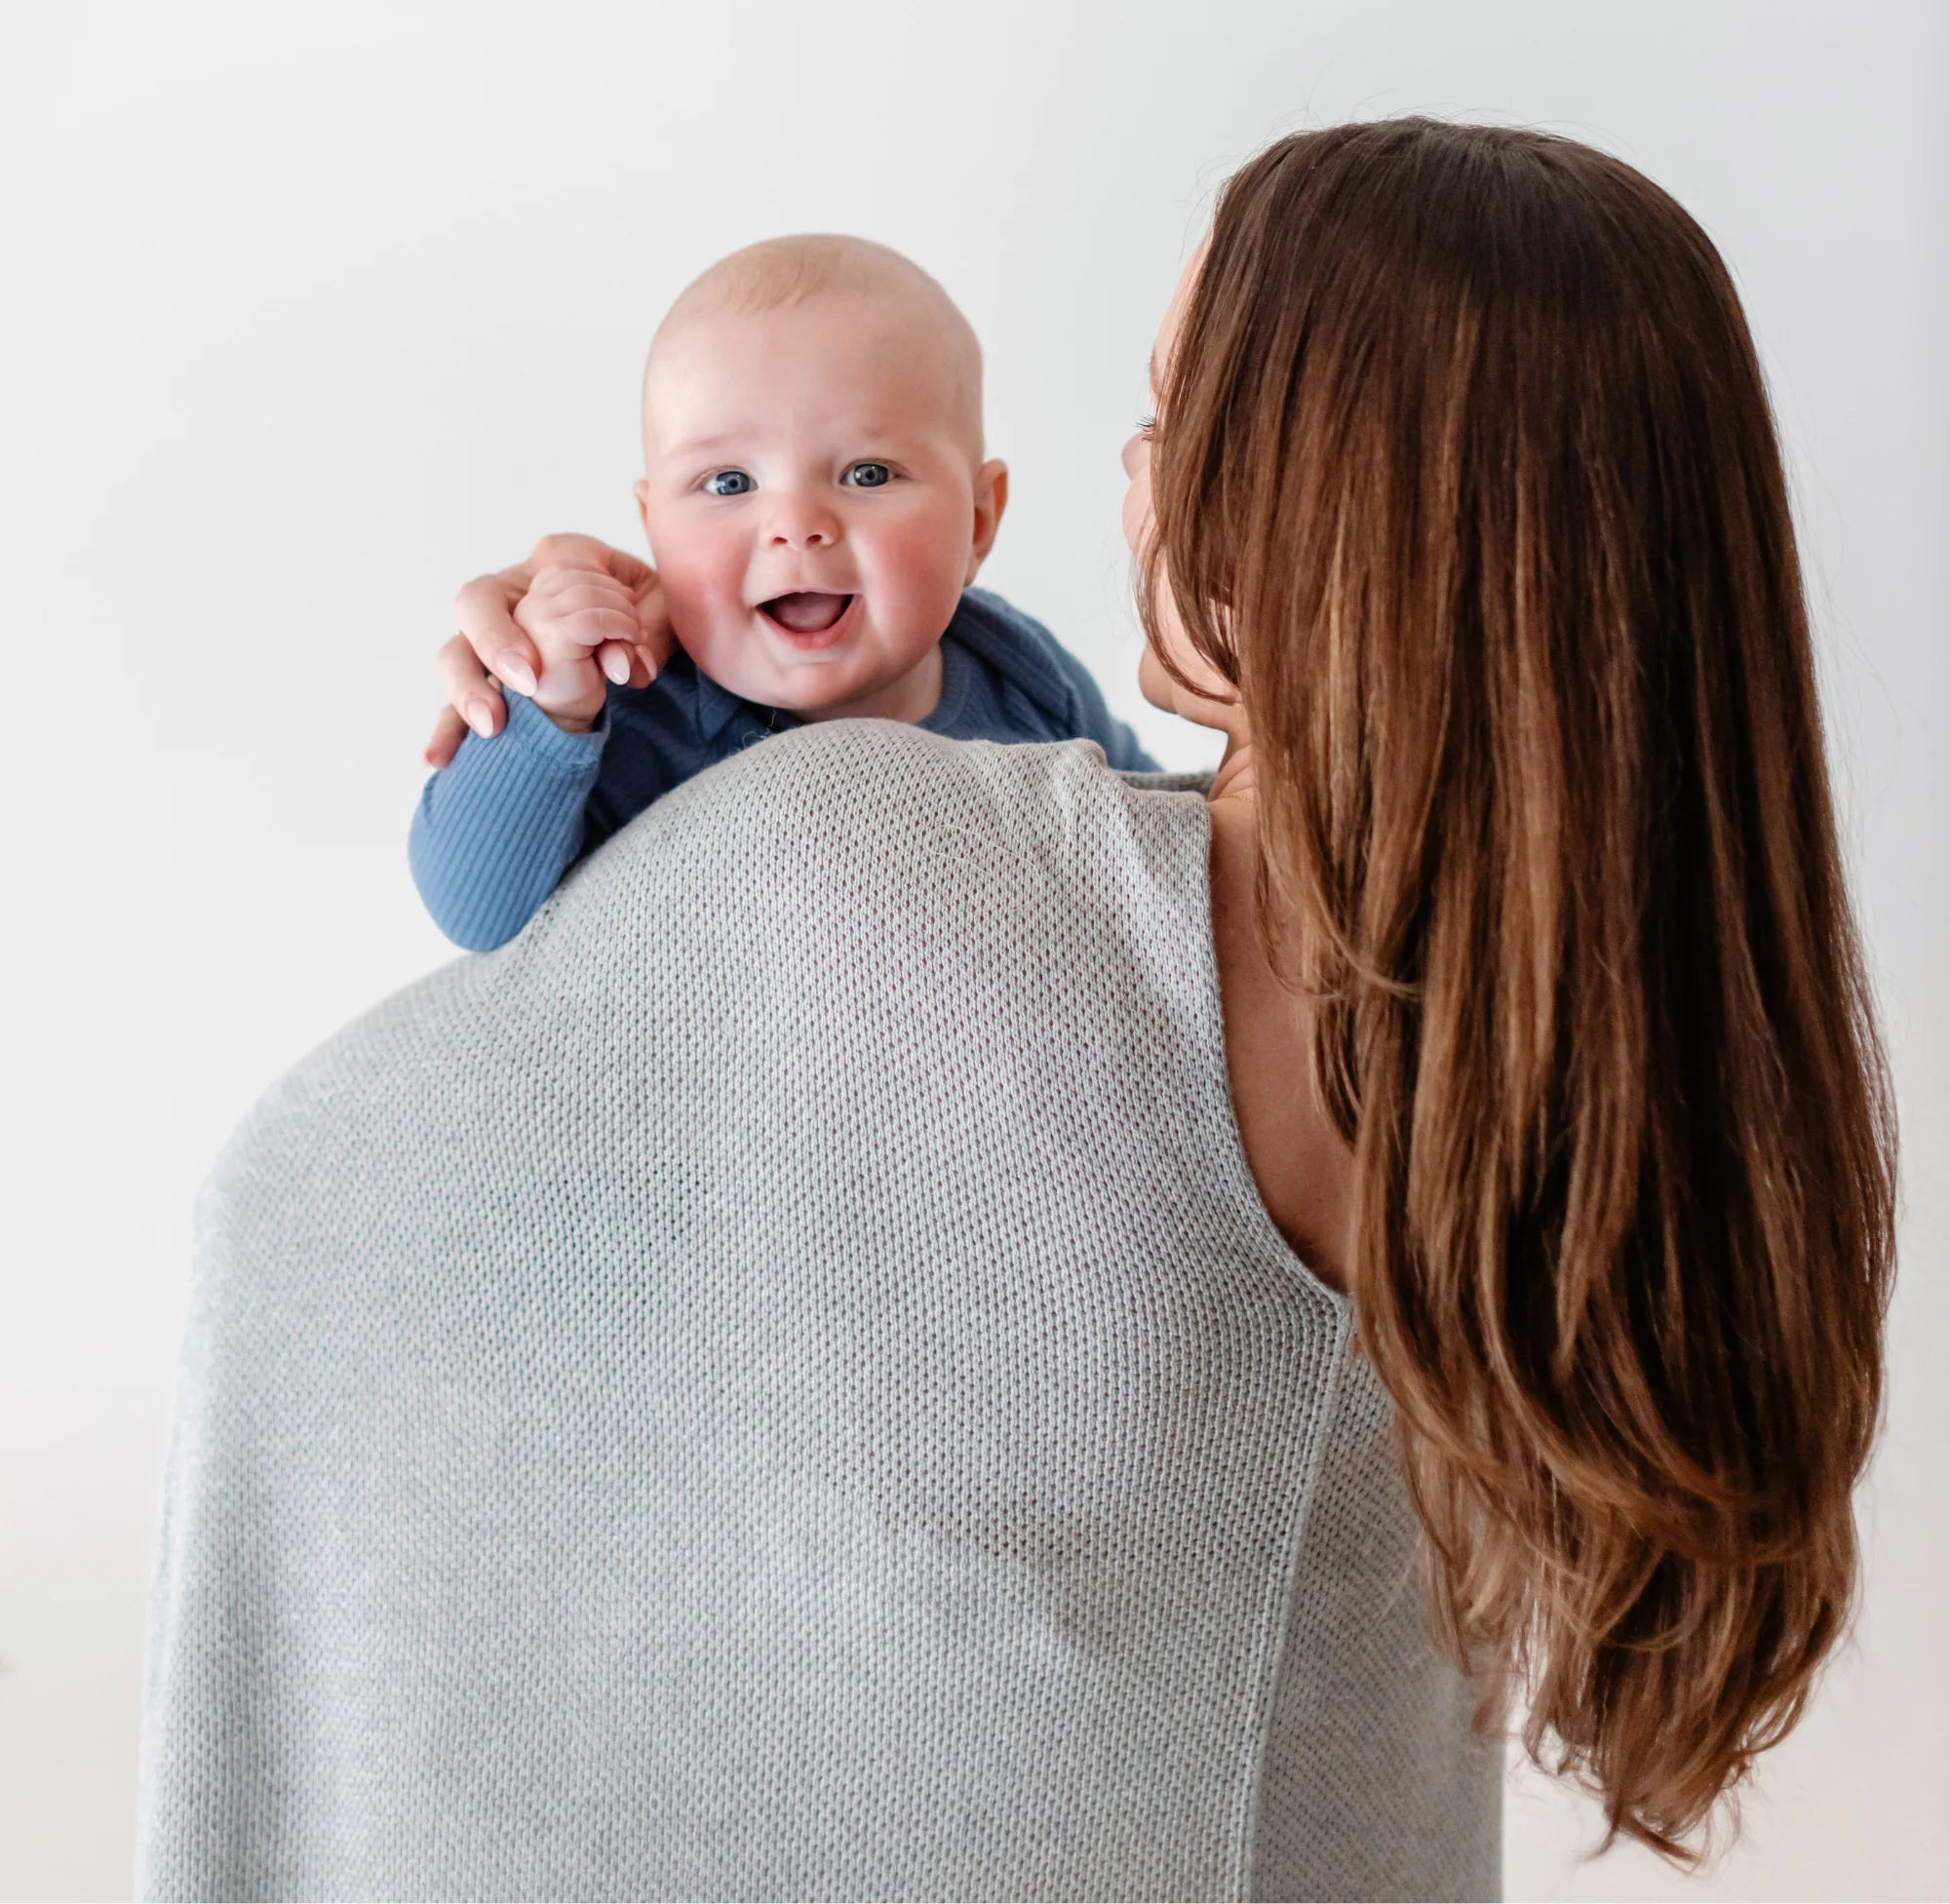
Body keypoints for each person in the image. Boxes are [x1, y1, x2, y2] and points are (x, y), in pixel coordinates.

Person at [138, 119, 1895, 1897]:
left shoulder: (883, 848)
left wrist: (546, 701)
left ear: (1305, 497)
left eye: (1166, 420)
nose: (1135, 482)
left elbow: (295, 1199)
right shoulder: (1588, 1055)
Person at [409, 231, 1156, 951]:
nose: (796, 526)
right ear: (653, 529)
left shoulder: (1020, 674)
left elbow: (1159, 839)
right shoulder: (630, 706)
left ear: (978, 522)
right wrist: (554, 712)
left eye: (867, 473)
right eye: (729, 482)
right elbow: (475, 911)